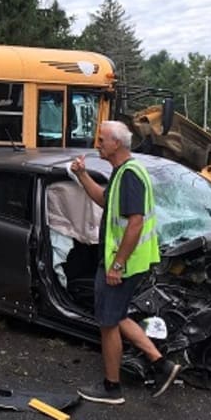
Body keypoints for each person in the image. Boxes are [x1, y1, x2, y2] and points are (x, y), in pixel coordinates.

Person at [69, 120, 181, 405]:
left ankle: (112, 388)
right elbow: (104, 200)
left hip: (122, 264)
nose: (97, 144)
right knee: (117, 315)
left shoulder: (130, 175)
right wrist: (82, 175)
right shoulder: (122, 173)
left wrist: (117, 265)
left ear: (116, 144)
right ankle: (161, 364)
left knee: (107, 323)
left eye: (102, 140)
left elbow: (135, 223)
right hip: (124, 262)